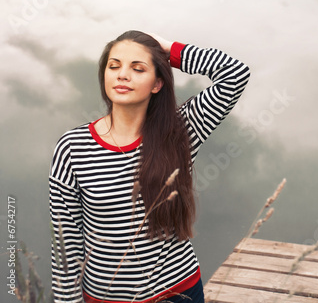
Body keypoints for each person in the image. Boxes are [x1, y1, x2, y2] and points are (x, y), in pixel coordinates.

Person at [49, 30, 250, 303]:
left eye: (138, 68)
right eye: (114, 65)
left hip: (177, 292)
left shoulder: (182, 129)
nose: (122, 75)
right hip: (105, 299)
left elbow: (235, 75)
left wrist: (169, 50)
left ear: (157, 83)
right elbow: (66, 243)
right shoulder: (72, 147)